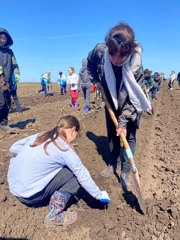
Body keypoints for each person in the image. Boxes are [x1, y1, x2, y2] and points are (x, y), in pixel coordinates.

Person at [7, 115, 110, 227]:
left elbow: (13, 148)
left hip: (14, 186)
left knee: (59, 169)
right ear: (73, 130)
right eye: (76, 134)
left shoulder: (42, 134)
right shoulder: (65, 149)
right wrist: (99, 195)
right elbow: (83, 176)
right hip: (29, 196)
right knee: (73, 177)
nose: (75, 138)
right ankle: (53, 217)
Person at [87, 22, 151, 186]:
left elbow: (135, 99)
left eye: (121, 55)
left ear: (129, 50)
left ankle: (126, 171)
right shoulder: (100, 51)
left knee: (128, 136)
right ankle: (112, 164)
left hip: (131, 105)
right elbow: (90, 65)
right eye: (113, 54)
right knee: (112, 134)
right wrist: (96, 81)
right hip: (110, 101)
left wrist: (123, 121)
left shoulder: (136, 66)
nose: (116, 59)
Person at [0, 28, 20, 132]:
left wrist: (16, 74)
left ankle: (3, 124)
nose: (2, 40)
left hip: (8, 82)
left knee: (7, 103)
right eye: (1, 38)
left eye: (4, 38)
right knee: (1, 103)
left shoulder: (10, 52)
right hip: (0, 81)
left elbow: (15, 65)